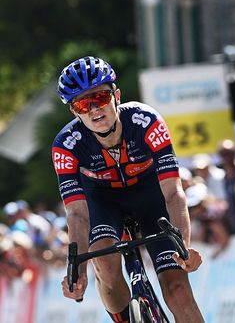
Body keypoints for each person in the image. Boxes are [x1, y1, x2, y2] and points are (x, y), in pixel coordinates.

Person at [52, 56, 204, 323]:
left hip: (151, 197)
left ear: (116, 96)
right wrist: (78, 270)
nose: (93, 109)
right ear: (74, 112)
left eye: (99, 98)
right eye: (82, 104)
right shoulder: (66, 144)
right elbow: (77, 215)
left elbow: (173, 193)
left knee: (178, 290)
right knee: (106, 268)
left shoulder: (146, 121)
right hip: (102, 201)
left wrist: (185, 248)